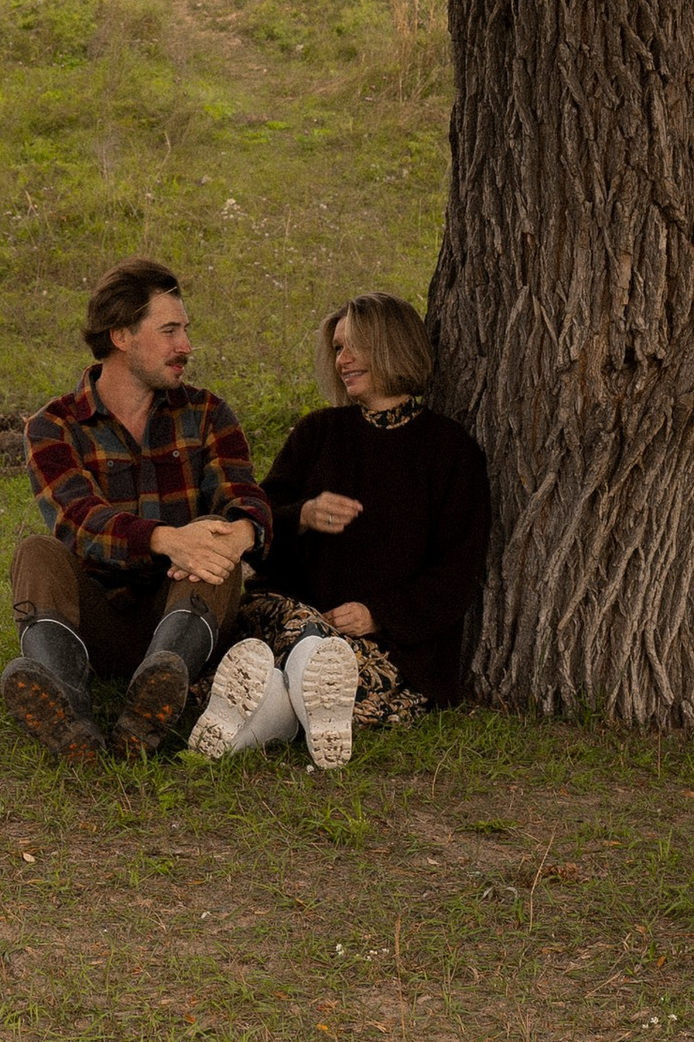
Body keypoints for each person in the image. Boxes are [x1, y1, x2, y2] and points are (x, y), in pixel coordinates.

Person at [188, 290, 489, 770]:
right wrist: (301, 516)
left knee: (320, 669)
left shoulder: (451, 453)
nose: (342, 360)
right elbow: (257, 532)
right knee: (303, 643)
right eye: (336, 349)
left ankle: (249, 727)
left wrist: (378, 613)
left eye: (353, 347)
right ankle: (311, 685)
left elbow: (457, 571)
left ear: (393, 347)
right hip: (289, 615)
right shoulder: (318, 433)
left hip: (387, 645)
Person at [3, 256, 274, 766]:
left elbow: (244, 494)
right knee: (35, 552)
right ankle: (69, 710)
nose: (186, 347)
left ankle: (153, 701)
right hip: (95, 620)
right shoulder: (53, 426)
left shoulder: (208, 413)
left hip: (182, 614)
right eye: (170, 330)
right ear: (121, 335)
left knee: (213, 544)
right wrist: (168, 538)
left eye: (185, 330)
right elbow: (79, 521)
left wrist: (240, 534)